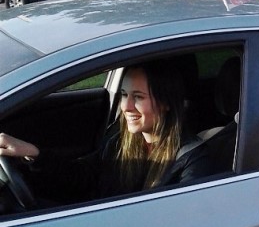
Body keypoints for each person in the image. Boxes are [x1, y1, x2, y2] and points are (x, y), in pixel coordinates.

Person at [0, 59, 213, 206]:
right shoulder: (121, 142)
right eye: (124, 94)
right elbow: (82, 176)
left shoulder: (191, 161)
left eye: (138, 97)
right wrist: (34, 154)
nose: (126, 106)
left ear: (166, 102)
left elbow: (182, 220)